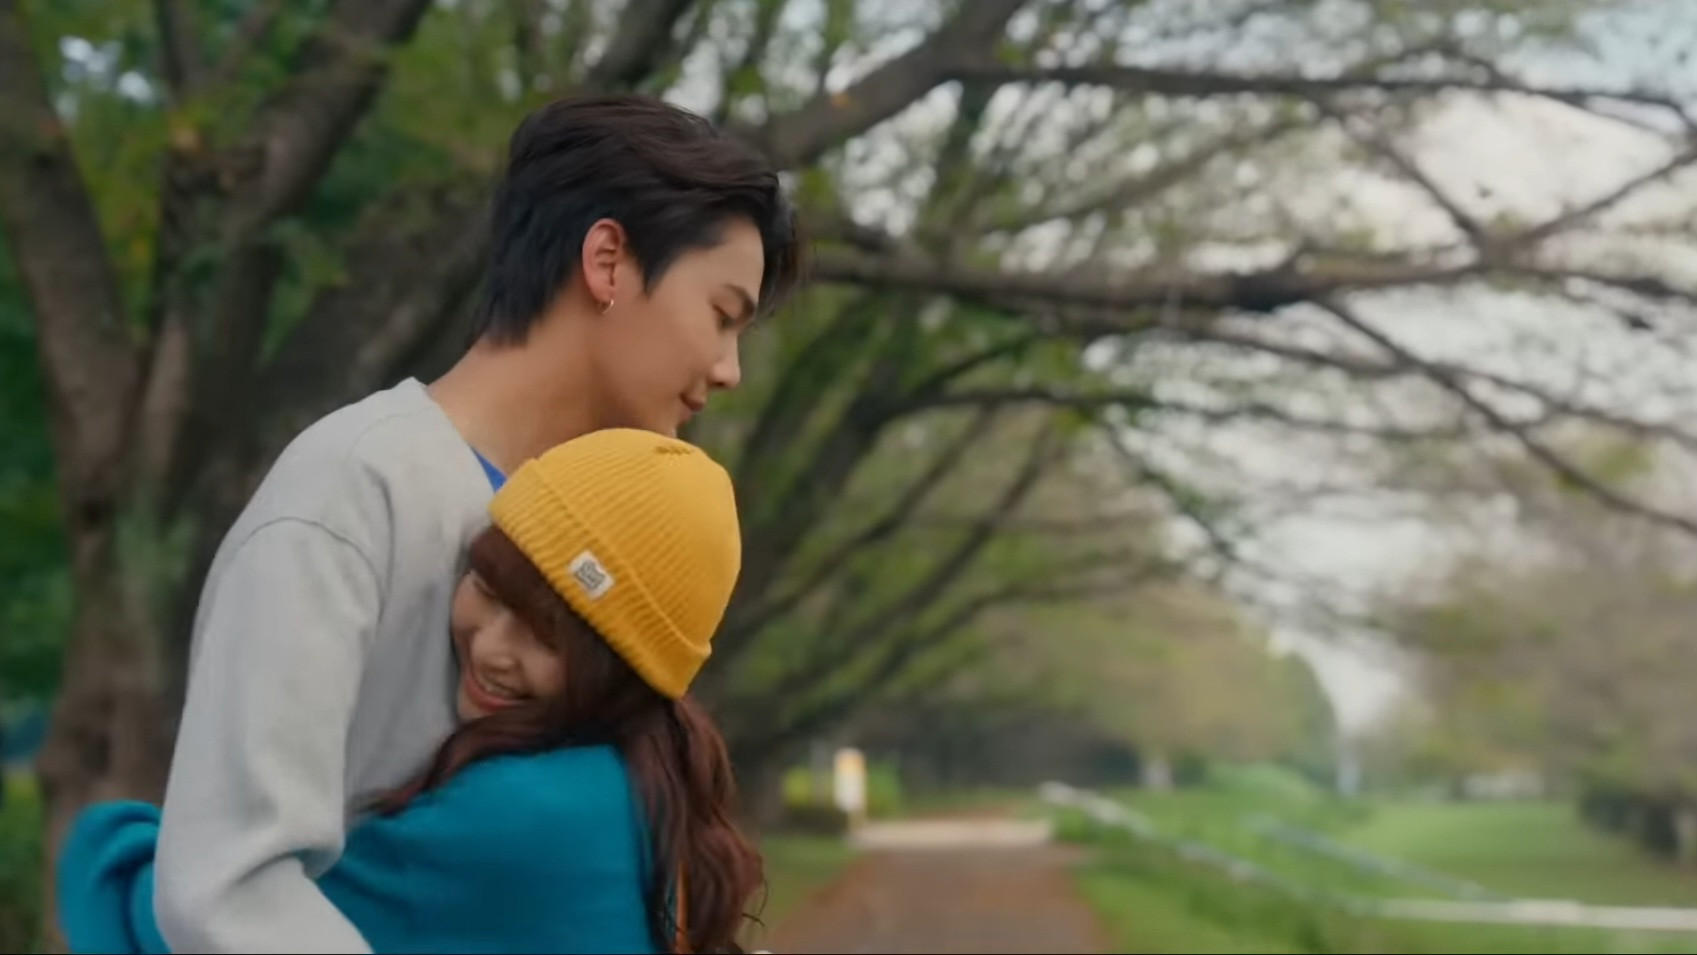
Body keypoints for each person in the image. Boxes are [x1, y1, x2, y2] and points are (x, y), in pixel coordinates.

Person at [149, 94, 803, 953]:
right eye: (721, 316)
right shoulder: (353, 491)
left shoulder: (595, 530)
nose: (728, 370)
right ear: (608, 261)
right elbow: (230, 889)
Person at [60, 429, 762, 954]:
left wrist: (110, 844)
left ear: (622, 671)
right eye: (488, 588)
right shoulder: (637, 781)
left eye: (547, 638)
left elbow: (205, 923)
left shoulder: (533, 815)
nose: (492, 649)